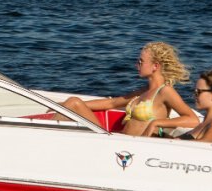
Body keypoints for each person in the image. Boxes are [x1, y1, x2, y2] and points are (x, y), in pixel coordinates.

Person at [60, 41, 199, 136]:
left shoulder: (165, 91)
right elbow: (112, 103)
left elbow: (193, 119)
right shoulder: (144, 91)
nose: (136, 65)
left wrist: (158, 123)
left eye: (141, 62)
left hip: (134, 148)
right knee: (72, 103)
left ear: (155, 66)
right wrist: (61, 105)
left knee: (73, 102)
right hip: (120, 140)